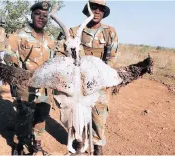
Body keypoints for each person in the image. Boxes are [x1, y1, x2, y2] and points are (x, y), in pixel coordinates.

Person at [4, 1, 54, 155]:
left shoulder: (50, 37)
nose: (41, 17)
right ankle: (19, 144)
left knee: (41, 116)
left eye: (45, 15)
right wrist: (21, 75)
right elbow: (8, 56)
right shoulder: (19, 35)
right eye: (37, 14)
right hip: (25, 85)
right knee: (24, 115)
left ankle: (37, 143)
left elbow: (53, 60)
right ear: (32, 15)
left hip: (45, 86)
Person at [69, 0, 119, 155]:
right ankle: (79, 143)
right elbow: (67, 56)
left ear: (104, 12)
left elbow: (112, 58)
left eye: (101, 9)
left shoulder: (109, 31)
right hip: (79, 82)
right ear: (88, 10)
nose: (97, 11)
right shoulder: (74, 31)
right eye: (94, 8)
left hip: (100, 82)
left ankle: (97, 146)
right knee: (79, 115)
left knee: (99, 116)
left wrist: (99, 77)